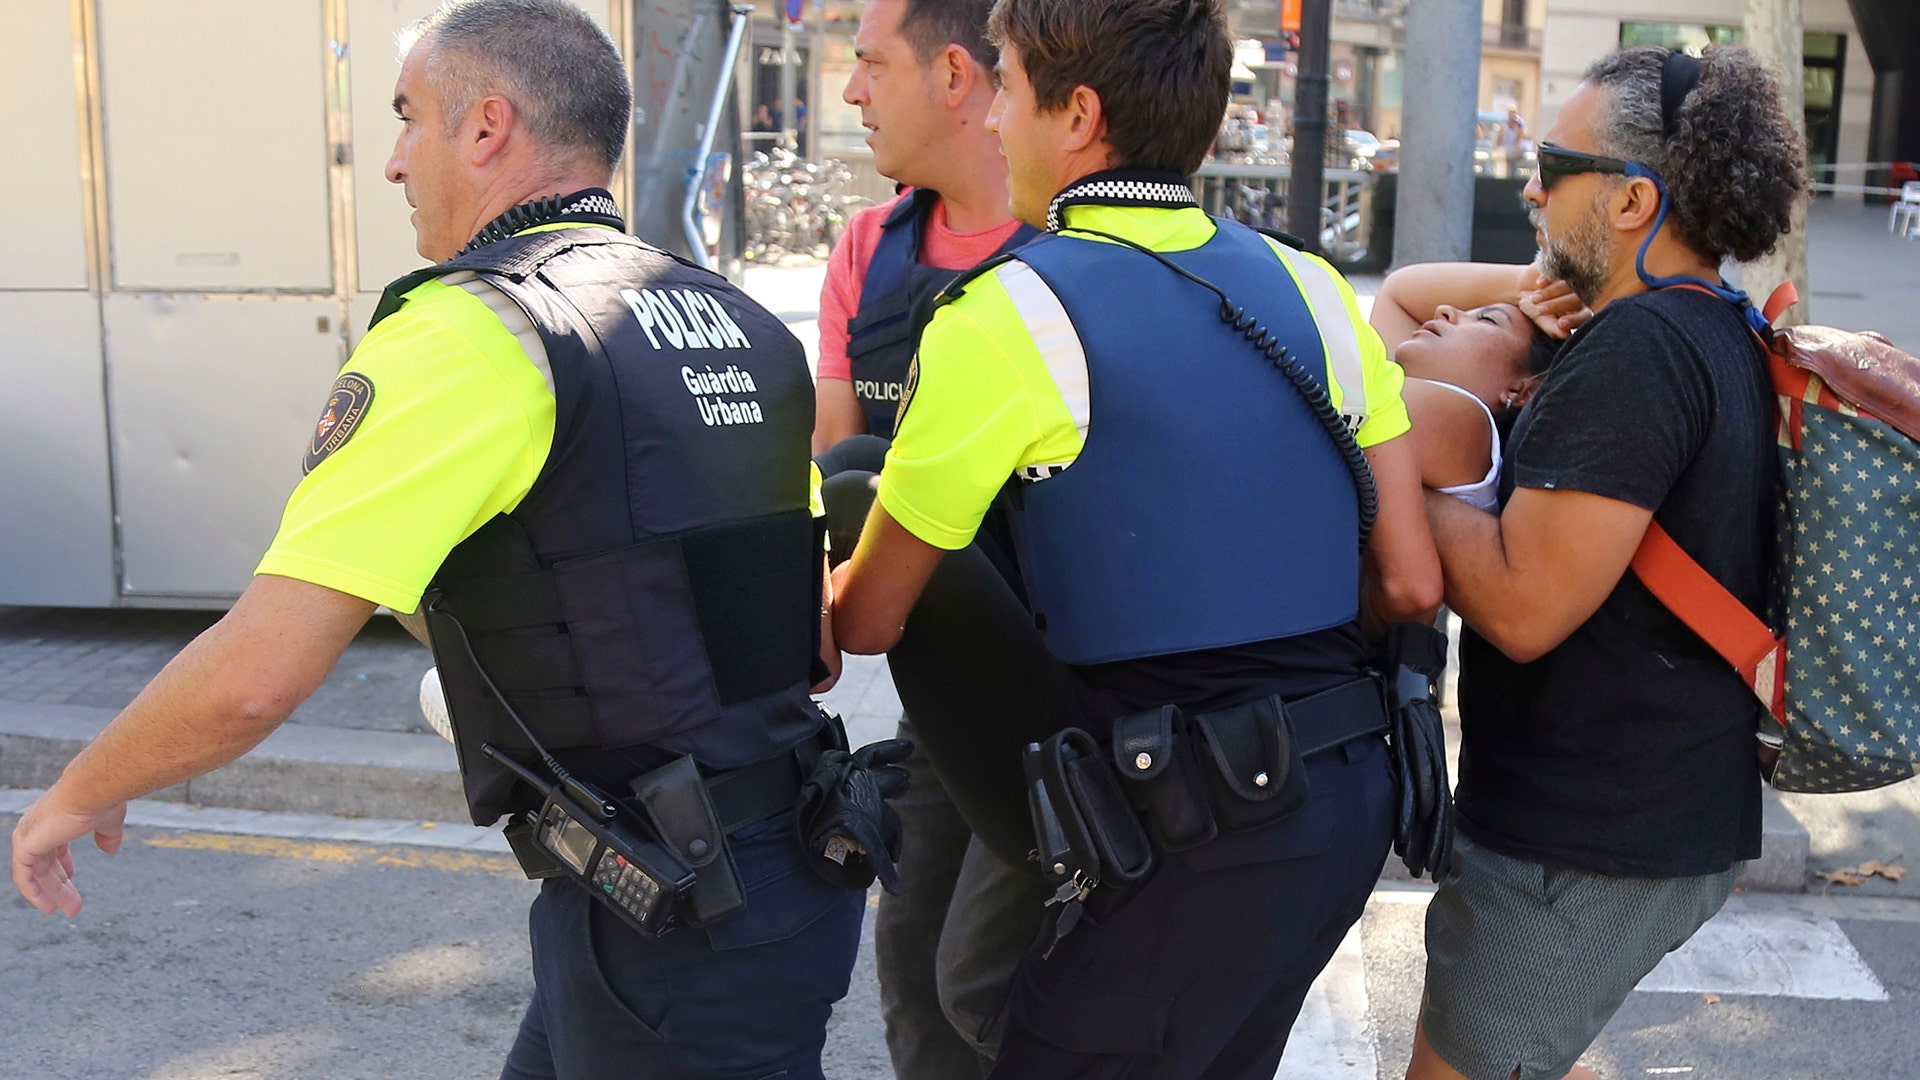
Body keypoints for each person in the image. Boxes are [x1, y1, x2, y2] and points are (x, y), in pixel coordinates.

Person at [9, 3, 871, 1078]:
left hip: (673, 917)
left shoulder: (472, 333)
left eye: (409, 118)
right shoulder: (729, 321)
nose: (391, 162)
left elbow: (254, 677)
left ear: (486, 128)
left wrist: (79, 789)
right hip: (765, 876)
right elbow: (803, 636)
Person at [831, 0, 1442, 1074]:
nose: (995, 124)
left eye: (1009, 91)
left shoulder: (1004, 315)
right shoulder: (1313, 286)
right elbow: (1405, 577)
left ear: (1078, 115)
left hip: (1181, 818)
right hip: (1343, 803)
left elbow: (876, 615)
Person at [1407, 44, 1805, 1080]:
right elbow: (1406, 300)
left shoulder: (1638, 354)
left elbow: (1522, 605)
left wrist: (1405, 476)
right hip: (1624, 820)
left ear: (1633, 199)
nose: (1533, 185)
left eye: (1553, 162)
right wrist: (1552, 279)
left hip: (1581, 844)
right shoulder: (1702, 321)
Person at [813, 1, 1043, 1076]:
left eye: (868, 65)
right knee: (912, 975)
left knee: (990, 987)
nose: (851, 93)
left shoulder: (1079, 251)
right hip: (938, 687)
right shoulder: (872, 245)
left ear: (955, 76)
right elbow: (835, 476)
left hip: (1075, 698)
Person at [1369, 261, 1586, 507]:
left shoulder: (1468, 423)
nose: (1444, 310)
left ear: (1523, 390)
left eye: (1487, 319)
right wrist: (1528, 285)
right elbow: (1399, 292)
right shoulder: (1388, 387)